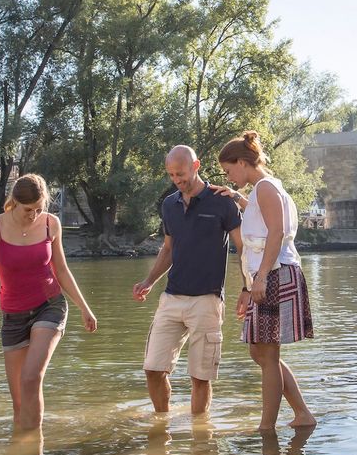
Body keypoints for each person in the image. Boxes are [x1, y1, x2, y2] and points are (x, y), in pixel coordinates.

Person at [0, 173, 97, 433]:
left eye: (39, 209)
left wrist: (85, 308)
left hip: (49, 306)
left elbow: (61, 270)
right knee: (18, 406)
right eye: (29, 210)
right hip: (13, 315)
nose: (34, 215)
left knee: (30, 378)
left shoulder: (52, 224)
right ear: (14, 202)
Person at [215, 132, 315, 430]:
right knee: (259, 351)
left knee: (267, 353)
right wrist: (237, 198)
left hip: (275, 275)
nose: (229, 176)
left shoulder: (267, 188)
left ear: (243, 163)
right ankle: (302, 414)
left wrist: (259, 279)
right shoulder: (263, 189)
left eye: (229, 170)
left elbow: (276, 232)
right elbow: (261, 220)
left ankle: (267, 427)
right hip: (271, 274)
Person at [133, 146, 243, 416]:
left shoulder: (222, 202)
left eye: (180, 173)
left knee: (200, 377)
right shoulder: (169, 205)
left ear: (196, 166)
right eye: (171, 175)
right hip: (171, 299)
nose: (176, 179)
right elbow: (168, 248)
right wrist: (148, 280)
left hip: (207, 300)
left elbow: (243, 248)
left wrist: (248, 288)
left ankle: (200, 436)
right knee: (153, 369)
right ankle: (162, 425)